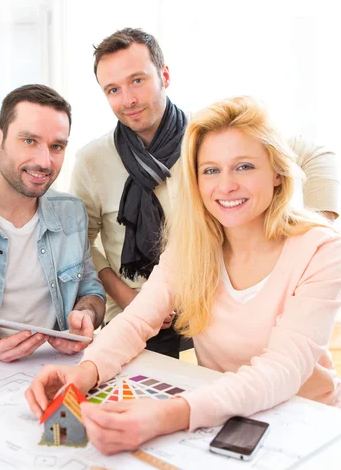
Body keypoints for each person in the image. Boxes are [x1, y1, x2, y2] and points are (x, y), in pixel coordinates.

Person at [26, 96, 341, 454]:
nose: (225, 186)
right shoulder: (192, 247)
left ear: (278, 175)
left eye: (244, 167)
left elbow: (281, 371)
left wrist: (166, 415)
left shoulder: (321, 249)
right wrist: (85, 373)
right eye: (210, 170)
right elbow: (135, 323)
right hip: (225, 420)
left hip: (308, 430)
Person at [71, 28, 340, 357]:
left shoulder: (212, 138)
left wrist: (314, 235)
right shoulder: (91, 160)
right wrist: (126, 295)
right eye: (113, 89)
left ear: (164, 75)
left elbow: (317, 156)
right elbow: (82, 243)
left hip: (213, 309)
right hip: (136, 310)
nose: (128, 99)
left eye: (137, 80)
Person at [0, 84, 106, 363]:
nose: (44, 161)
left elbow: (91, 291)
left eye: (56, 146)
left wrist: (86, 314)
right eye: (29, 141)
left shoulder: (72, 213)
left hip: (54, 367)